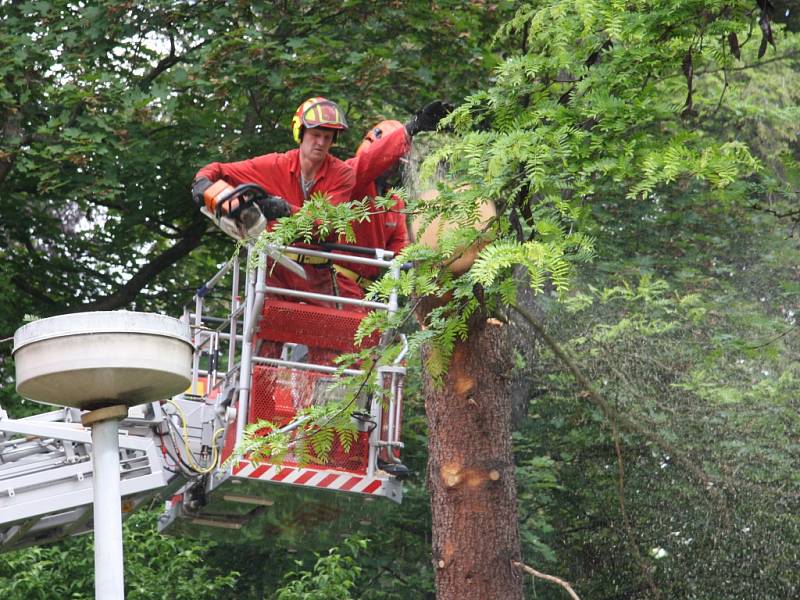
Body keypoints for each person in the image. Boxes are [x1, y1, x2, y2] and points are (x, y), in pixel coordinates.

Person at [191, 96, 355, 302]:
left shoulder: (342, 175)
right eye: (316, 134)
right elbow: (221, 170)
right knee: (264, 329)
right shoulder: (275, 165)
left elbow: (327, 223)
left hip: (316, 277)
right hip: (272, 274)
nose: (321, 142)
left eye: (327, 137)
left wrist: (284, 210)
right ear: (300, 132)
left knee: (318, 330)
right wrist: (202, 183)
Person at [333, 101, 452, 300]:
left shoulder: (394, 201)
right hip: (337, 284)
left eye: (398, 163)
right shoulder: (351, 179)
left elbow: (401, 250)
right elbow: (372, 161)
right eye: (392, 160)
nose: (394, 167)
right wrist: (411, 128)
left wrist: (437, 262)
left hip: (368, 294)